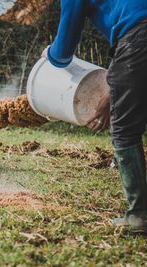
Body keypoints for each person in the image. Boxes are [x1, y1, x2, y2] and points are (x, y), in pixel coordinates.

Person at [42, 0, 147, 231]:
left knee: (124, 131)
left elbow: (63, 52)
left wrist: (50, 53)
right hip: (137, 40)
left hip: (137, 39)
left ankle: (139, 215)